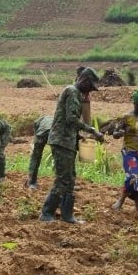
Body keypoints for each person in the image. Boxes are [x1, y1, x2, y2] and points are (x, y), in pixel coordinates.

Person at [39, 68, 104, 224]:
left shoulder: (75, 93)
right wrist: (92, 130)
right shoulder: (72, 92)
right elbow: (71, 119)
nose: (90, 91)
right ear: (84, 81)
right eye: (90, 87)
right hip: (61, 141)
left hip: (67, 141)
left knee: (70, 178)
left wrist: (79, 136)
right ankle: (46, 213)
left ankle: (67, 215)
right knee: (63, 179)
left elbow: (70, 123)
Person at [25, 115, 54, 190]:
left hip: (40, 134)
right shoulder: (62, 123)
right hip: (46, 134)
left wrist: (36, 137)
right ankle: (31, 182)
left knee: (35, 157)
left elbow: (35, 125)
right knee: (36, 157)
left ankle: (31, 182)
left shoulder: (44, 118)